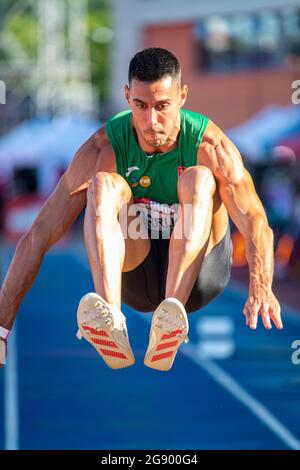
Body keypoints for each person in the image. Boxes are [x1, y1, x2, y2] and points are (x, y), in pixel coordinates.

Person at [0, 48, 282, 372]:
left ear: (182, 96)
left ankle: (171, 319)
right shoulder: (103, 147)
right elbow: (38, 235)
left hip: (202, 275)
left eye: (162, 106)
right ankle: (112, 317)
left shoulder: (209, 146)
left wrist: (261, 284)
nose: (151, 121)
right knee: (103, 184)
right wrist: (1, 329)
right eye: (140, 106)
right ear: (126, 96)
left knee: (198, 178)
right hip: (139, 274)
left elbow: (255, 219)